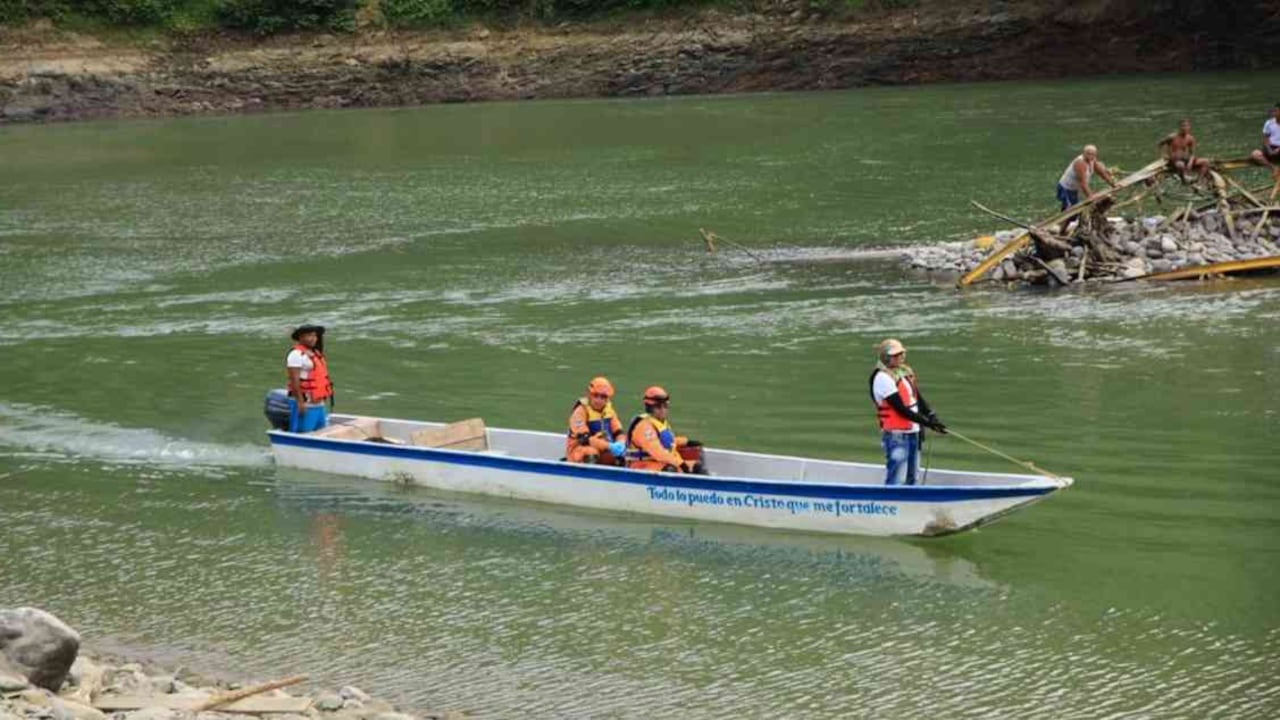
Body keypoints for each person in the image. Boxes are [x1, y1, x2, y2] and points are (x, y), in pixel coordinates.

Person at [869, 339, 945, 486]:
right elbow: (901, 409)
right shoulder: (882, 378)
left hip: (913, 432)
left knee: (913, 477)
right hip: (897, 435)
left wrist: (931, 415)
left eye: (901, 354)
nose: (900, 357)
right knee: (898, 478)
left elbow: (917, 398)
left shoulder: (904, 372)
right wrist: (927, 423)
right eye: (895, 355)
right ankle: (890, 504)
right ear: (885, 357)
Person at [626, 386, 702, 473]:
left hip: (659, 462)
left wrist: (686, 442)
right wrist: (680, 464)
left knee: (697, 466)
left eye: (665, 406)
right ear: (650, 408)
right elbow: (657, 451)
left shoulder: (661, 422)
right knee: (670, 470)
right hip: (641, 465)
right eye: (658, 407)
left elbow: (668, 442)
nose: (663, 410)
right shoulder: (644, 427)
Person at [565, 376, 627, 465]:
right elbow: (586, 439)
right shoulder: (580, 412)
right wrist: (609, 446)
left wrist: (621, 443)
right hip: (579, 450)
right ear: (589, 395)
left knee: (622, 456)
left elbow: (618, 432)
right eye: (596, 395)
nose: (599, 400)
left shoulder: (609, 411)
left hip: (603, 448)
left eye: (603, 397)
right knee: (590, 453)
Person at [286, 324, 333, 433]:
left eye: (315, 336)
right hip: (305, 402)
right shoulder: (296, 354)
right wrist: (300, 403)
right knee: (303, 431)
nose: (313, 338)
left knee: (321, 431)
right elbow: (294, 381)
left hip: (318, 402)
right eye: (309, 335)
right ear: (301, 337)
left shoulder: (315, 353)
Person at [1056, 144, 1117, 211]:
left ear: (1095, 155)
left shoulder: (1093, 160)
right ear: (1084, 153)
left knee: (1073, 208)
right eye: (1088, 154)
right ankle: (1065, 221)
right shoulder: (1080, 163)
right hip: (1066, 188)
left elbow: (1101, 173)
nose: (1090, 156)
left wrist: (1112, 184)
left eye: (1092, 154)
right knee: (1069, 210)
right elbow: (1083, 184)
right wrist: (1091, 197)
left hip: (1073, 189)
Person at [1249, 103, 1280, 173]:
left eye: (1277, 111)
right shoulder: (1269, 123)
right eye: (1274, 111)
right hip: (1271, 147)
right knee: (1255, 154)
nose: (1275, 113)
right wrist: (1270, 150)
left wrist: (1278, 149)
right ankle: (1273, 168)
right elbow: (1266, 139)